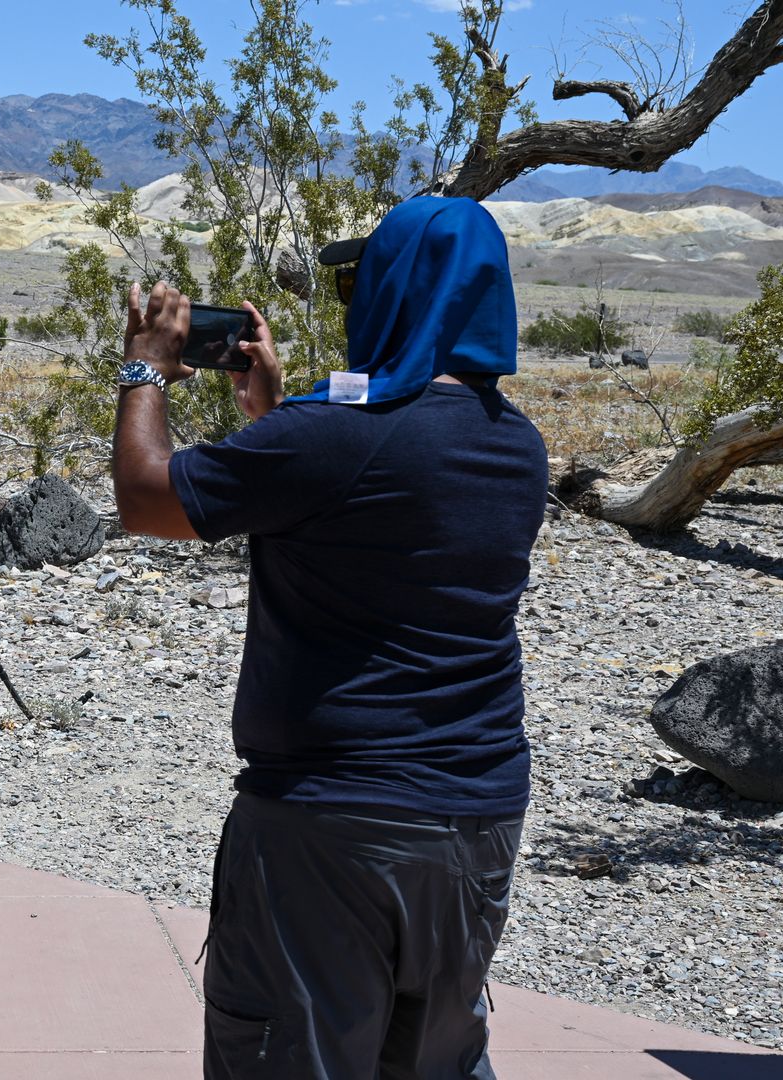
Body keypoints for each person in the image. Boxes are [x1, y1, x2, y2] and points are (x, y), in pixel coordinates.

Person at [109, 196, 548, 1079]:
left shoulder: (337, 436)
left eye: (361, 280)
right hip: (477, 818)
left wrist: (146, 369)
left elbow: (147, 499)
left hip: (332, 828)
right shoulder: (517, 446)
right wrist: (270, 411)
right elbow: (358, 513)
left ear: (395, 293)